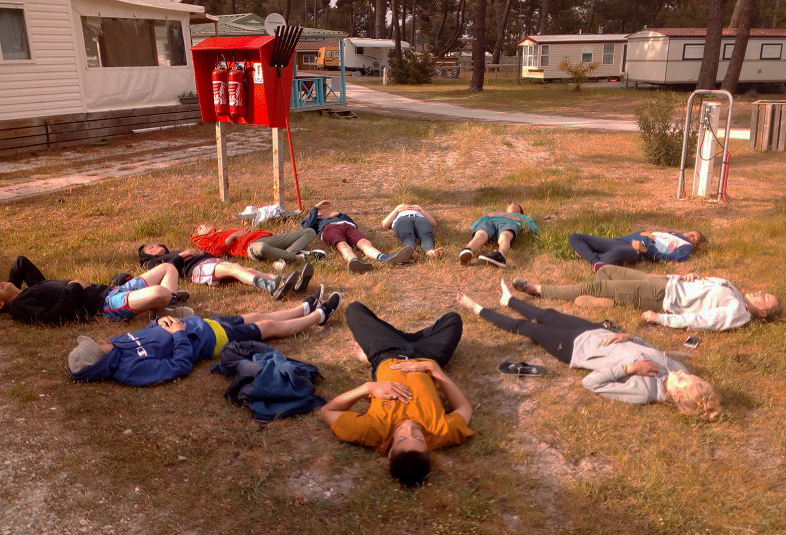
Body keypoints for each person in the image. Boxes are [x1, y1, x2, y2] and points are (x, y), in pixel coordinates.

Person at [456, 281, 722, 421]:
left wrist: (628, 368)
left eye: (685, 380)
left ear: (675, 396)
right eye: (691, 375)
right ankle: (509, 299)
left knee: (525, 328)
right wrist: (632, 337)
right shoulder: (678, 370)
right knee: (548, 313)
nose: (682, 372)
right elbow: (651, 348)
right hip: (597, 332)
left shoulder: (642, 392)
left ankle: (476, 308)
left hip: (574, 350)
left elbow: (590, 383)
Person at [320, 302, 473, 487]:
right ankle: (410, 339)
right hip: (428, 354)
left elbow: (327, 411)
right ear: (427, 449)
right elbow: (464, 408)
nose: (410, 429)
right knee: (453, 319)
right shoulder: (440, 432)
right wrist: (433, 369)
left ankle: (376, 350)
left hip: (385, 352)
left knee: (354, 310)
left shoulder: (372, 431)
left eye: (402, 438)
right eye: (418, 438)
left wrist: (367, 388)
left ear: (390, 452)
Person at [68, 288, 341, 386]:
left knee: (256, 314)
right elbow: (179, 366)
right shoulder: (129, 369)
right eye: (97, 344)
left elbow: (147, 334)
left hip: (199, 323)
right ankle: (318, 317)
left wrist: (159, 322)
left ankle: (303, 307)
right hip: (209, 339)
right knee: (266, 327)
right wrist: (178, 335)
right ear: (100, 359)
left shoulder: (117, 343)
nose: (101, 339)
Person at [513, 265, 781, 331]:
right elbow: (703, 286)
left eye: (764, 298)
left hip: (659, 297)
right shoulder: (735, 290)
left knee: (594, 286)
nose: (758, 292)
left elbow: (701, 320)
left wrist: (661, 319)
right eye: (762, 291)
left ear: (763, 313)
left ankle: (540, 290)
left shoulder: (737, 311)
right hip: (664, 281)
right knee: (606, 270)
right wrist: (691, 276)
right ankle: (611, 300)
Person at [0, 256, 189, 325]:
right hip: (105, 305)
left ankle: (166, 308)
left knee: (169, 268)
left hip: (113, 290)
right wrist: (74, 287)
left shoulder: (31, 290)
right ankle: (166, 303)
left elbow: (20, 262)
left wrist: (12, 286)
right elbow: (52, 318)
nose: (1, 282)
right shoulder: (19, 305)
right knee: (160, 292)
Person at [137, 244, 312, 301]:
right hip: (196, 270)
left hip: (209, 262)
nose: (155, 246)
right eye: (150, 248)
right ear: (147, 255)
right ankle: (272, 287)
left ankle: (289, 282)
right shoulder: (154, 263)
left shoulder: (172, 251)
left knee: (246, 269)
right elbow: (168, 270)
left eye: (154, 243)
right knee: (235, 269)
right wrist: (184, 255)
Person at [301, 200, 413, 273]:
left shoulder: (340, 215)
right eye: (319, 210)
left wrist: (339, 216)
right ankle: (353, 261)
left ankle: (383, 257)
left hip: (348, 227)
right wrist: (315, 209)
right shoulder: (314, 220)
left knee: (365, 243)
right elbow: (307, 228)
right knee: (342, 244)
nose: (323, 210)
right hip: (329, 229)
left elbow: (353, 223)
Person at [189, 223, 325, 270]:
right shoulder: (204, 241)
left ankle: (282, 257)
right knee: (260, 248)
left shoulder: (222, 230)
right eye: (200, 228)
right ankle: (297, 257)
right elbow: (215, 252)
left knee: (309, 232)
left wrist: (254, 229)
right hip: (250, 247)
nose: (204, 225)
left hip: (265, 238)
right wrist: (232, 237)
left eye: (204, 224)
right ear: (198, 235)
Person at [568, 230, 705, 272]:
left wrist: (646, 250)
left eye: (694, 238)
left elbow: (670, 259)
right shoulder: (671, 233)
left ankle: (588, 255)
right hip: (621, 240)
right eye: (691, 233)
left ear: (695, 245)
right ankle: (596, 260)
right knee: (575, 237)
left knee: (617, 254)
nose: (690, 236)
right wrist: (642, 232)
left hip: (637, 250)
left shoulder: (686, 246)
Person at [459, 203, 539, 268]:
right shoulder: (493, 213)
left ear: (520, 210)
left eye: (516, 204)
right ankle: (468, 250)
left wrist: (518, 220)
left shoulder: (523, 217)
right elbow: (475, 225)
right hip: (489, 222)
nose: (512, 203)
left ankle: (500, 256)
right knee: (480, 234)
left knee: (505, 236)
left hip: (509, 223)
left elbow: (534, 228)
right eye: (510, 203)